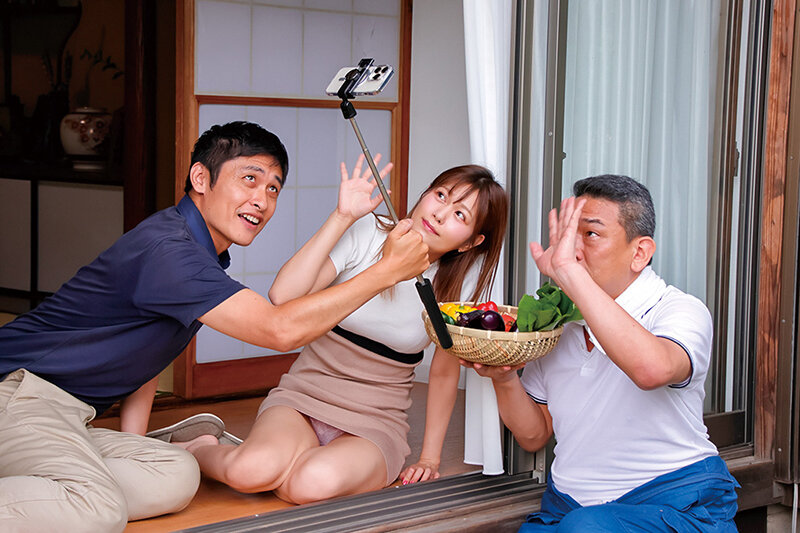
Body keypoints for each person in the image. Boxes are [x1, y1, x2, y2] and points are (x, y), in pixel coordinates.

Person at [0, 121, 430, 533]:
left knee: (175, 476)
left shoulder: (198, 251)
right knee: (97, 509)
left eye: (273, 188)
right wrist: (385, 271)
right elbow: (279, 331)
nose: (262, 200)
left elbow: (147, 353)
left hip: (69, 415)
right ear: (201, 178)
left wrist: (136, 447)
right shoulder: (170, 252)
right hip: (18, 392)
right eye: (250, 179)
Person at [180, 158, 509, 504]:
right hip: (304, 396)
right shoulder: (369, 232)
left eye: (460, 215)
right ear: (426, 193)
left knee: (308, 484)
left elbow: (443, 374)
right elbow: (283, 296)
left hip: (375, 422)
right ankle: (199, 448)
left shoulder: (458, 288)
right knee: (250, 472)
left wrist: (429, 458)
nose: (440, 213)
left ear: (470, 243)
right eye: (441, 195)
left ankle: (287, 461)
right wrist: (342, 216)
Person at [465, 175, 739, 532]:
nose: (572, 249)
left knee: (586, 527)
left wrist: (570, 274)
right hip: (567, 507)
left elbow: (651, 370)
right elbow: (534, 435)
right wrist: (503, 378)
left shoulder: (678, 309)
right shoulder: (558, 323)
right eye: (569, 234)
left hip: (673, 503)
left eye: (590, 234)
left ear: (639, 253)